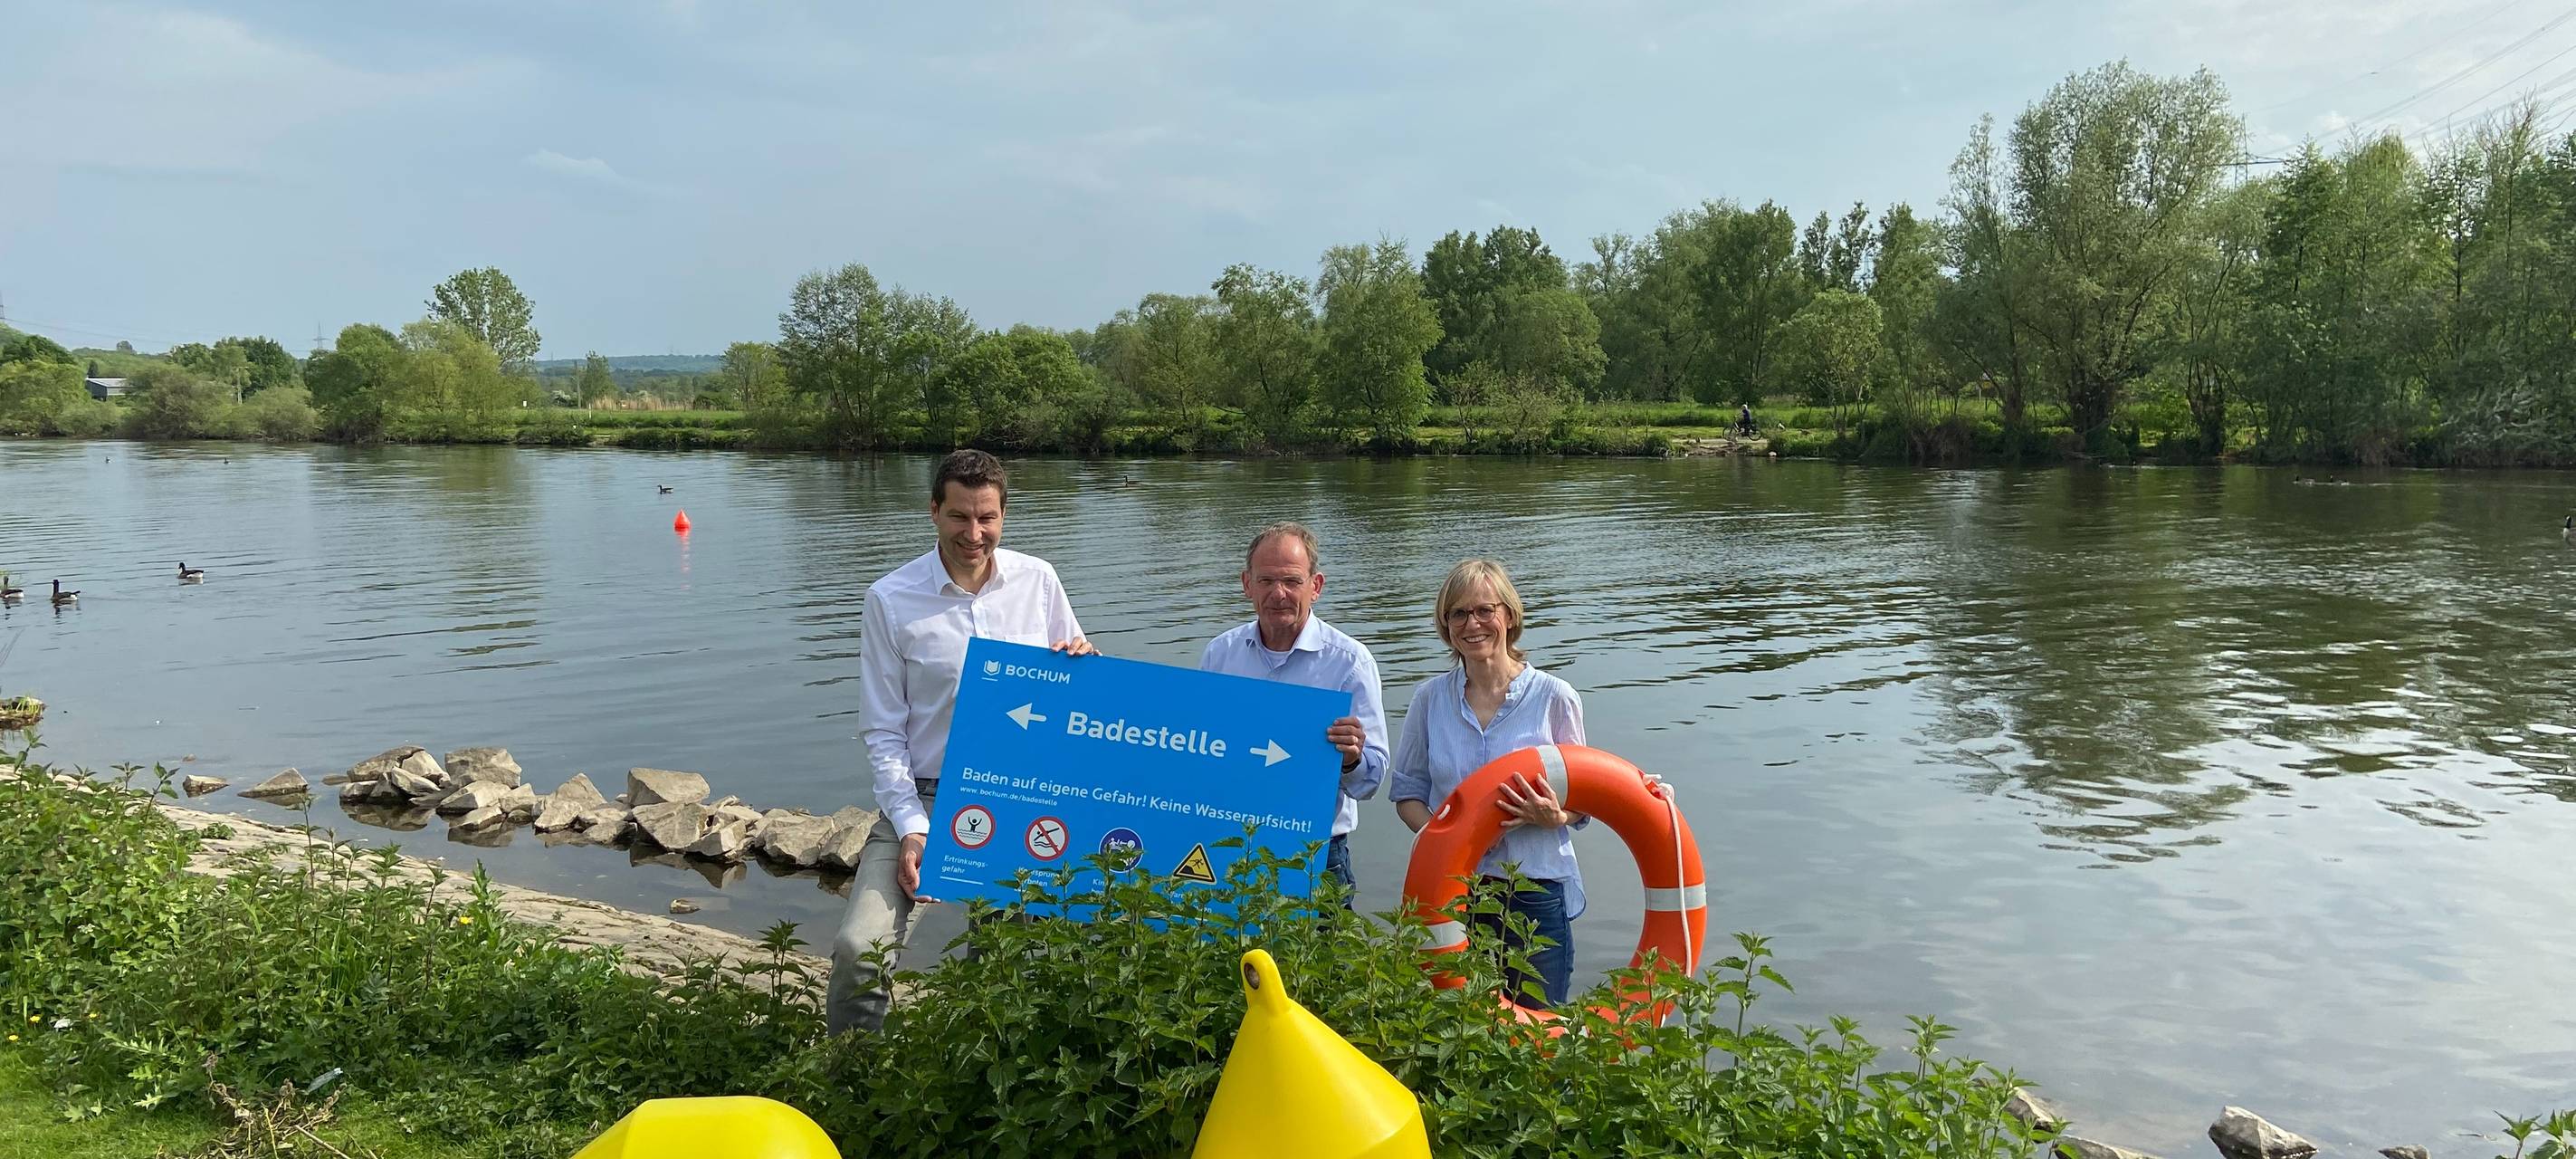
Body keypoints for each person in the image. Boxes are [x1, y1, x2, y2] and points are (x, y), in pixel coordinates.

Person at [827, 450, 1093, 1034]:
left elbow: (1075, 700)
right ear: (933, 511)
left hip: (1018, 798)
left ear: (1003, 514)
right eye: (959, 518)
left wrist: (1084, 666)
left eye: (987, 518)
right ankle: (853, 1082)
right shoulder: (890, 600)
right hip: (923, 797)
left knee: (1001, 962)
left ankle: (977, 1087)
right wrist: (911, 827)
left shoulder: (1039, 581)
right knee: (858, 950)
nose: (975, 534)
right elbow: (883, 729)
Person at [1389, 558, 1589, 1009]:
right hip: (1457, 892)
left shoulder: (1554, 698)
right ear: (1446, 625)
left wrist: (1555, 815)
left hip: (1535, 891)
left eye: (1484, 610)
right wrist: (1446, 843)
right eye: (1457, 613)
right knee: (1460, 1028)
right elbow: (1407, 794)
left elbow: (1585, 798)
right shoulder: (1428, 700)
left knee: (1538, 1028)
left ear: (1509, 615)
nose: (1472, 623)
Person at [1197, 522, 1389, 899]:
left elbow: (1371, 781)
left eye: (1291, 581)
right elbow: (1201, 750)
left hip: (1317, 851)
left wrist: (1351, 759)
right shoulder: (1220, 654)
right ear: (1246, 584)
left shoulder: (1350, 662)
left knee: (1320, 957)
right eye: (1266, 580)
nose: (1278, 594)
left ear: (1315, 586)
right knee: (1227, 957)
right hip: (1231, 842)